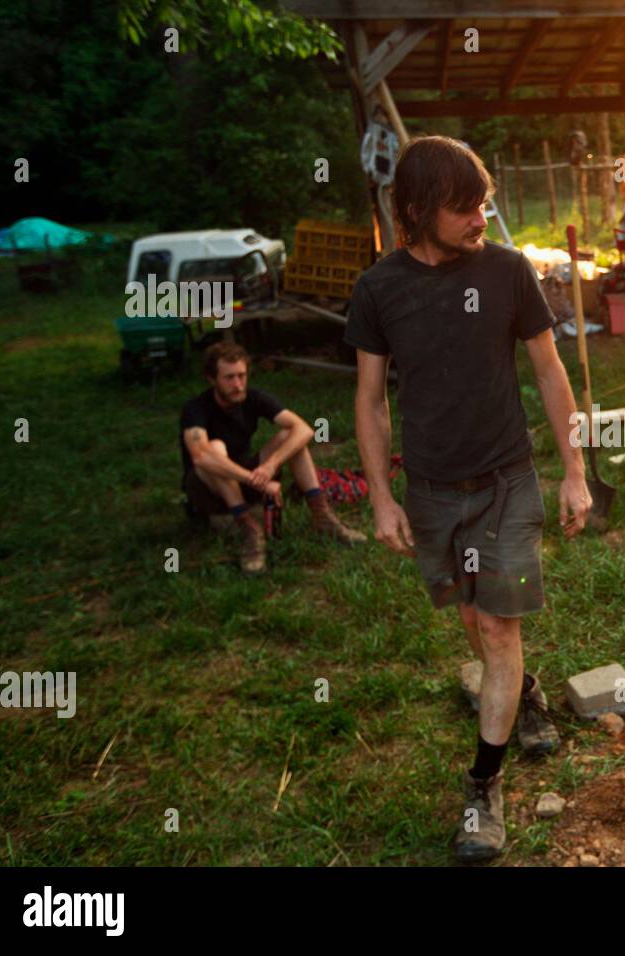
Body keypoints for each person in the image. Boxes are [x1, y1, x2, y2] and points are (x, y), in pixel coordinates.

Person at [346, 136, 591, 863]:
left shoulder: (509, 272)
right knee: (473, 620)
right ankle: (526, 695)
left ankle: (484, 788)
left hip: (505, 480)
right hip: (430, 491)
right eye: (465, 206)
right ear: (419, 211)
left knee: (498, 630)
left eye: (484, 200)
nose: (482, 215)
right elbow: (368, 402)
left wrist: (574, 470)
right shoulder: (379, 289)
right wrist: (381, 498)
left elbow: (549, 374)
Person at [180, 342, 367, 573]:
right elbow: (200, 457)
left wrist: (269, 466)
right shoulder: (196, 409)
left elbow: (305, 429)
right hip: (208, 489)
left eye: (242, 375)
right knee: (214, 449)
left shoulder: (253, 398)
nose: (238, 385)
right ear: (212, 379)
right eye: (229, 378)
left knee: (291, 437)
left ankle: (323, 516)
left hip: (247, 479)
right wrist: (256, 479)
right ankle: (250, 531)